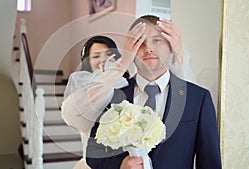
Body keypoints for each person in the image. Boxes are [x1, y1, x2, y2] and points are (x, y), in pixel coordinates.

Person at [85, 15, 222, 169]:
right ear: (130, 49)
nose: (148, 48)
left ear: (170, 46)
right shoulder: (114, 95)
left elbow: (210, 162)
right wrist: (120, 165)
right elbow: (92, 154)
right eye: (140, 42)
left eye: (156, 40)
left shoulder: (198, 98)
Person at [61, 35, 127, 169]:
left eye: (109, 54)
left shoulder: (128, 88)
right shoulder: (83, 96)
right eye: (96, 56)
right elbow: (71, 116)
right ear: (87, 63)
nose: (103, 60)